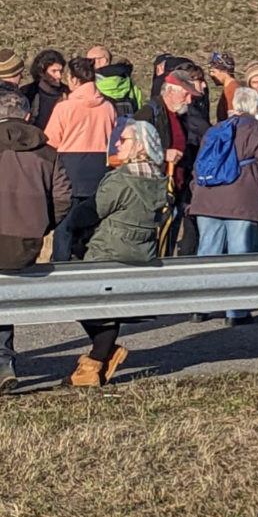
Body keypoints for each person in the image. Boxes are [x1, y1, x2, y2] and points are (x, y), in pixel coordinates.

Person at [0, 92, 72, 396]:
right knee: (5, 300)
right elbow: (62, 199)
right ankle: (4, 363)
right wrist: (42, 227)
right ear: (28, 117)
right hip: (25, 244)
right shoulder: (48, 151)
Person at [66, 120, 168, 387]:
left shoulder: (121, 179)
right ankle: (99, 359)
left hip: (107, 251)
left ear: (140, 146)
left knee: (77, 301)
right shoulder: (156, 178)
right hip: (141, 251)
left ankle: (98, 358)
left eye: (124, 139)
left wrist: (72, 224)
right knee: (106, 307)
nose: (118, 144)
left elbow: (90, 211)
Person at [190, 87, 258, 326]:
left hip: (207, 198)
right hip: (243, 199)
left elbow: (198, 165)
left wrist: (196, 194)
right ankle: (236, 311)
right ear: (256, 107)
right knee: (239, 255)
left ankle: (201, 306)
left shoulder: (215, 130)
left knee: (207, 252)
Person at [44, 57, 117, 262]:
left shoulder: (65, 108)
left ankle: (62, 267)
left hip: (70, 170)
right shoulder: (108, 107)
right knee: (94, 223)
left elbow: (51, 142)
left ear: (74, 80)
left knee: (65, 226)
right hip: (99, 172)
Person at [134, 71, 199, 254]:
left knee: (169, 241)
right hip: (157, 191)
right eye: (185, 94)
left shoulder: (180, 115)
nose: (189, 100)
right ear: (170, 91)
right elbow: (134, 148)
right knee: (155, 242)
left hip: (176, 189)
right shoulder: (148, 113)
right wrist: (163, 154)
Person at [89, 48, 144, 117]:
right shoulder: (132, 87)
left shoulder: (90, 87)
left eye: (90, 61)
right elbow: (139, 113)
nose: (87, 64)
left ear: (103, 61)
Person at [21, 50, 66, 129]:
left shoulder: (68, 93)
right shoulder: (27, 93)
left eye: (60, 71)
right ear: (41, 72)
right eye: (54, 71)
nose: (59, 76)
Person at [209, 52, 241, 124]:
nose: (211, 75)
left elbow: (233, 119)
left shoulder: (232, 90)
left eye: (213, 71)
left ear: (224, 71)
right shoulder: (228, 88)